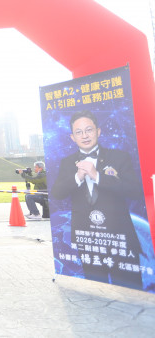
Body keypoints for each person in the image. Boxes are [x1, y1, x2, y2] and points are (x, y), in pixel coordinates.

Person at [51, 110, 144, 289]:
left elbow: (134, 191)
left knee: (130, 291)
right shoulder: (67, 162)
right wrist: (77, 177)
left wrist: (98, 176)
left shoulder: (119, 157)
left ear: (98, 131)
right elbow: (57, 193)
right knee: (95, 290)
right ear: (72, 137)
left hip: (119, 239)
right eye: (79, 132)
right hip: (88, 239)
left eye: (89, 130)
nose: (84, 136)